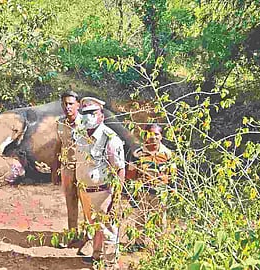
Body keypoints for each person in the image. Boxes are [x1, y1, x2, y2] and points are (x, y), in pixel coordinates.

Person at [74, 97, 125, 267]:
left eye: (92, 113)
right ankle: (97, 257)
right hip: (85, 191)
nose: (88, 117)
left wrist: (116, 200)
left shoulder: (109, 138)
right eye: (85, 113)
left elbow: (119, 170)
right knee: (94, 225)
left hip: (103, 193)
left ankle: (110, 263)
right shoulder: (80, 135)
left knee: (108, 228)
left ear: (101, 115)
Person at [125, 123, 177, 250]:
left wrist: (173, 189)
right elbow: (131, 174)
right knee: (140, 219)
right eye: (150, 133)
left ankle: (159, 245)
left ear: (161, 137)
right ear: (145, 135)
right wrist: (131, 192)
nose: (153, 137)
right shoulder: (138, 154)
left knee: (160, 220)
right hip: (142, 191)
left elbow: (172, 174)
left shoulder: (167, 154)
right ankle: (139, 243)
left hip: (160, 192)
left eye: (156, 134)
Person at [51, 91, 83, 246]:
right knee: (70, 203)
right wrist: (55, 169)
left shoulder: (86, 123)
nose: (67, 107)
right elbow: (59, 146)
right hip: (67, 168)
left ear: (78, 104)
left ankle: (90, 238)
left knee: (87, 204)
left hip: (84, 170)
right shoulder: (60, 123)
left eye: (71, 103)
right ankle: (72, 235)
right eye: (64, 103)